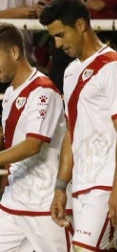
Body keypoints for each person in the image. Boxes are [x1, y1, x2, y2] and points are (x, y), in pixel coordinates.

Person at [40, 0, 117, 251]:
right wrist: (61, 187)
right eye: (54, 37)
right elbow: (71, 131)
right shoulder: (71, 72)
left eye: (61, 34)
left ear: (82, 25)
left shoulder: (114, 67)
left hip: (108, 182)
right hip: (83, 182)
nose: (57, 43)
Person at [0, 23, 70, 252]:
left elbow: (33, 145)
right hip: (13, 203)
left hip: (45, 204)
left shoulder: (43, 91)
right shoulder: (10, 93)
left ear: (14, 52)